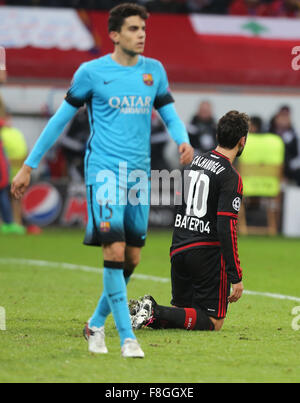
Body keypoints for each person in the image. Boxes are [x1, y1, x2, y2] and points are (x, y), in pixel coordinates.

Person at [11, 3, 194, 358]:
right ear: (114, 34)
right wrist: (29, 166)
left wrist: (182, 138)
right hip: (105, 172)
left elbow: (169, 113)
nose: (140, 35)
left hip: (140, 176)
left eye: (143, 29)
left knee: (133, 256)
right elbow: (58, 122)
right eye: (132, 29)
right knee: (113, 249)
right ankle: (126, 337)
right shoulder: (91, 73)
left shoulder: (153, 72)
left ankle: (95, 322)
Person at [130, 110, 248, 333]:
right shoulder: (230, 176)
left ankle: (148, 314)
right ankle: (153, 310)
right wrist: (236, 275)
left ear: (218, 135)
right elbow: (226, 228)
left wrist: (179, 244)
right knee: (213, 322)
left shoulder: (194, 163)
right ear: (242, 141)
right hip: (206, 255)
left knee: (181, 312)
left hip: (179, 248)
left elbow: (179, 207)